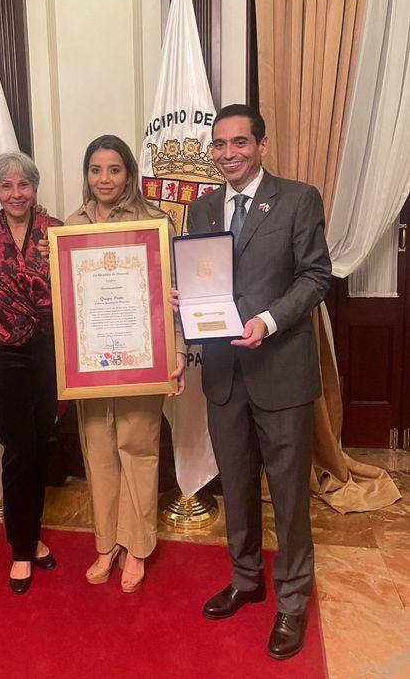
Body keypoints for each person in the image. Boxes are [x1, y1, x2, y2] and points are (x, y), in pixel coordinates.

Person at [183, 104, 331, 660]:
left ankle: (293, 598)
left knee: (289, 494)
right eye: (219, 145)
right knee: (237, 486)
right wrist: (185, 305)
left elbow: (316, 274)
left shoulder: (298, 199)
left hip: (281, 371)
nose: (228, 154)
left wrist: (267, 320)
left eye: (239, 143)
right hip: (223, 376)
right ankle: (247, 579)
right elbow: (199, 281)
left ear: (262, 146)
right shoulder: (200, 211)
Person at [65, 135, 186, 593]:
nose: (104, 179)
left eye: (114, 170)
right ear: (87, 175)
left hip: (141, 358)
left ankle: (136, 547)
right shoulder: (71, 226)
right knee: (98, 451)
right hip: (90, 362)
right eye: (96, 170)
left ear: (129, 174)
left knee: (138, 448)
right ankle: (106, 543)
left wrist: (175, 350)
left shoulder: (154, 222)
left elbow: (170, 297)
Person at [0, 152, 61, 594]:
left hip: (49, 353)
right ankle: (20, 548)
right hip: (0, 356)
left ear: (35, 188)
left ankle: (33, 532)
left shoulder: (57, 231)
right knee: (18, 449)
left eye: (24, 185)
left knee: (42, 443)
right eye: (7, 186)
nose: (16, 194)